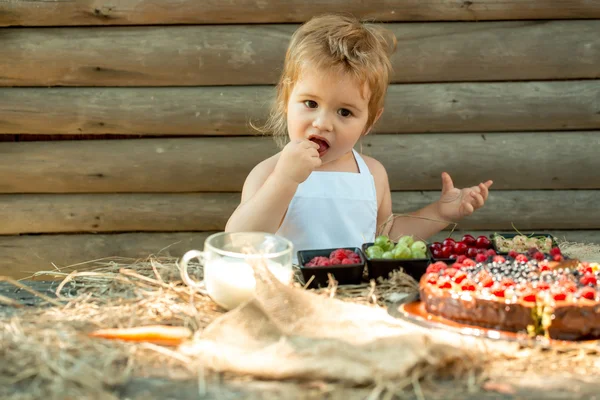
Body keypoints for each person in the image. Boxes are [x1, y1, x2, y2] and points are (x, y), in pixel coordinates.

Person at [225, 14, 493, 258]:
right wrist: (285, 180)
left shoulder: (372, 175)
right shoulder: (269, 173)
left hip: (356, 298)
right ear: (286, 100)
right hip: (292, 295)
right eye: (310, 104)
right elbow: (238, 241)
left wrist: (439, 212)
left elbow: (383, 239)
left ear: (369, 121)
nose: (322, 123)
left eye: (344, 112)